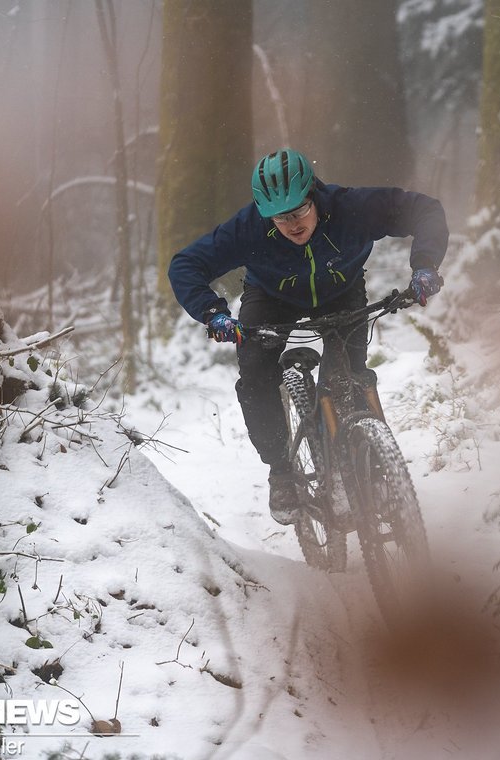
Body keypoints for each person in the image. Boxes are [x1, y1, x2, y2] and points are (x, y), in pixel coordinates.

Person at [168, 148, 448, 525]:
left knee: (348, 375)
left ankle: (372, 465)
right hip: (271, 298)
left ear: (313, 195)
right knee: (254, 374)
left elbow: (425, 210)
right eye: (280, 217)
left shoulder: (352, 209)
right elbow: (186, 264)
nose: (292, 224)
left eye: (299, 211)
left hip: (340, 291)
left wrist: (425, 266)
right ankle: (282, 470)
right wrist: (213, 313)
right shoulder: (250, 227)